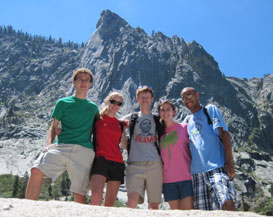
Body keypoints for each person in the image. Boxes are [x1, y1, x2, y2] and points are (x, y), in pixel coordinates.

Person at [25, 68, 99, 204]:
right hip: (61, 147)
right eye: (80, 79)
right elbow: (53, 127)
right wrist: (48, 145)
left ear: (90, 84)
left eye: (86, 80)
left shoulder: (93, 107)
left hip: (84, 150)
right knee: (36, 170)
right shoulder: (63, 103)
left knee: (80, 193)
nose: (83, 82)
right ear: (74, 82)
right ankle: (27, 209)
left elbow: (95, 131)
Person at [181, 87, 236, 210]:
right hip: (196, 174)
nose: (186, 100)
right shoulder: (187, 121)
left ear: (197, 95)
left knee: (226, 202)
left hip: (217, 167)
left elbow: (225, 135)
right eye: (183, 98)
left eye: (189, 95)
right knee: (204, 211)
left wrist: (229, 162)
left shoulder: (209, 110)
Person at [123, 86, 163, 209]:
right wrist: (122, 134)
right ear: (137, 99)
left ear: (152, 99)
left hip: (155, 165)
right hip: (135, 164)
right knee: (132, 199)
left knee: (154, 202)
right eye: (142, 97)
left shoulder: (158, 119)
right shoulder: (131, 117)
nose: (144, 99)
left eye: (147, 97)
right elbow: (116, 125)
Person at [90, 92, 127, 207]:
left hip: (117, 163)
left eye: (119, 103)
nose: (115, 105)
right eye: (112, 102)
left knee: (110, 204)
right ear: (107, 102)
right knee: (96, 197)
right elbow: (84, 133)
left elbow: (125, 145)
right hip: (100, 160)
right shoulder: (97, 119)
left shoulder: (120, 124)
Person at [158, 99, 194, 210]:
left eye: (168, 109)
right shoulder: (158, 133)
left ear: (174, 111)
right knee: (176, 213)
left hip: (186, 177)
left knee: (188, 213)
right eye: (162, 110)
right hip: (168, 180)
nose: (165, 112)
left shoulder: (184, 127)